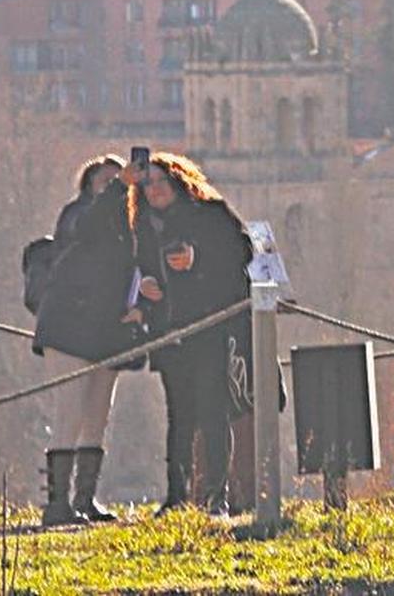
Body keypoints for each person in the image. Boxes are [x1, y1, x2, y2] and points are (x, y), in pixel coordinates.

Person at [124, 153, 253, 516]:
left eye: (163, 182)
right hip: (169, 330)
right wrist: (145, 287)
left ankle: (216, 496)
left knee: (213, 411)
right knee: (179, 416)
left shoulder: (209, 212)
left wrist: (197, 258)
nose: (155, 191)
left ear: (180, 182)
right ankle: (177, 496)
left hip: (209, 326)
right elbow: (143, 269)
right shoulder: (144, 225)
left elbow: (242, 250)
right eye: (148, 184)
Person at [31, 154, 142, 526]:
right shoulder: (76, 215)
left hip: (107, 331)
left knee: (97, 416)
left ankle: (85, 499)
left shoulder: (130, 228)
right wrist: (117, 189)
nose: (117, 186)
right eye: (107, 182)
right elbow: (89, 225)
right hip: (69, 328)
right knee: (69, 413)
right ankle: (58, 502)